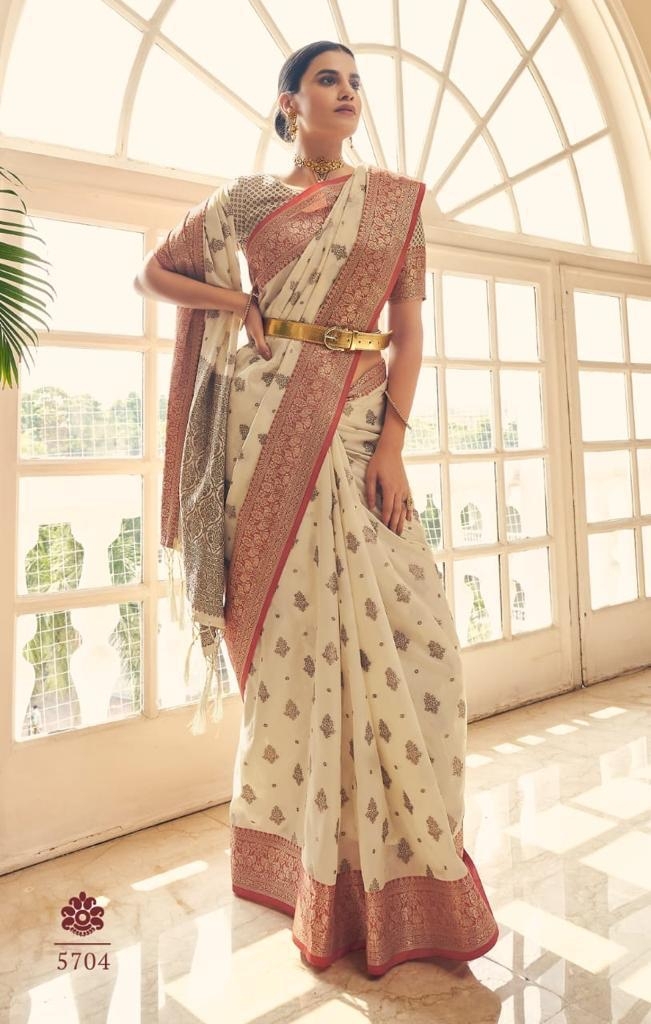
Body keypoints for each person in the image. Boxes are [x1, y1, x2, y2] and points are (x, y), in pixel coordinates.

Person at [134, 39, 499, 977]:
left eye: (354, 82)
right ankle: (313, 869)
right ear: (288, 102)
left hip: (359, 417)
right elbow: (153, 273)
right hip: (263, 431)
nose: (345, 93)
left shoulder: (394, 203)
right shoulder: (243, 202)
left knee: (419, 639)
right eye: (326, 80)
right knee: (292, 648)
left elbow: (407, 329)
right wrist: (233, 300)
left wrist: (392, 444)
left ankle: (407, 863)